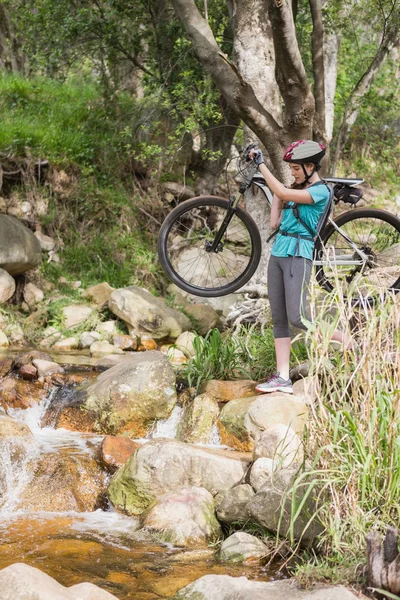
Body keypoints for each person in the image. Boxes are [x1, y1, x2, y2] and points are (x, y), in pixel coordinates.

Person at [248, 140, 352, 394]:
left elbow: (283, 194)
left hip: (298, 254)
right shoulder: (293, 190)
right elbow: (274, 223)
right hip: (279, 253)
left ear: (309, 166)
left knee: (299, 317)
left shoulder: (321, 192)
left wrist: (261, 165)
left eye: (295, 168)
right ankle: (282, 378)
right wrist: (278, 195)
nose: (292, 172)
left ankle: (349, 342)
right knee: (280, 318)